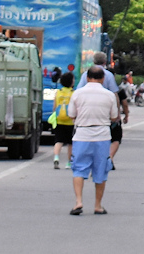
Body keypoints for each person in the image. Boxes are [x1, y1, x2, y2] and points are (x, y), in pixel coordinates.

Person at [68, 66, 120, 216]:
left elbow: (71, 114)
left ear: (87, 77)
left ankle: (78, 202)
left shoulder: (77, 94)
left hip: (82, 135)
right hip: (102, 135)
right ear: (103, 78)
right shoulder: (109, 95)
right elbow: (113, 116)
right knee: (101, 171)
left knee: (78, 169)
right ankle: (98, 205)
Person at [51, 72, 77, 170]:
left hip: (59, 120)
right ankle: (68, 163)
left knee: (58, 141)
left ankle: (56, 157)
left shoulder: (58, 92)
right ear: (71, 82)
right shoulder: (73, 93)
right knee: (70, 143)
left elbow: (54, 107)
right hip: (70, 121)